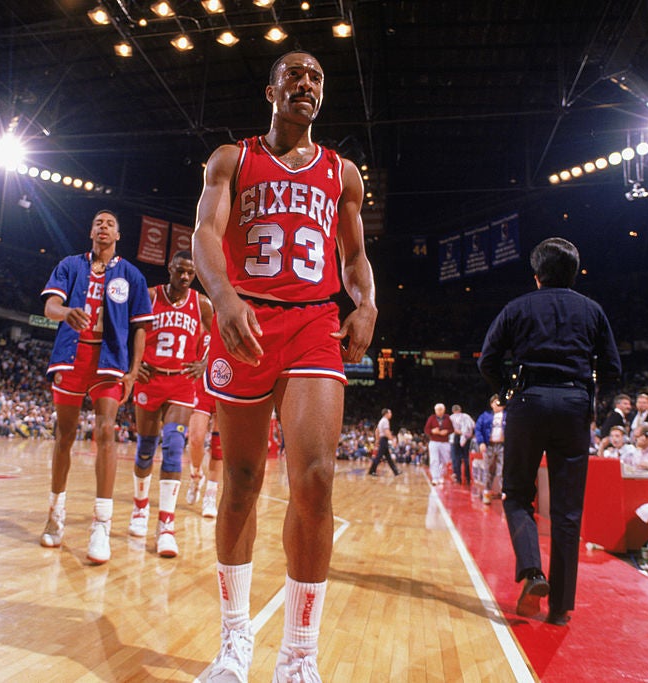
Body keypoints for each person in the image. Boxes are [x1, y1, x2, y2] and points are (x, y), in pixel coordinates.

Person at [192, 50, 377, 681]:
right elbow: (205, 236)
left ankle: (299, 654)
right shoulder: (232, 159)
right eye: (294, 74)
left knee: (316, 480)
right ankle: (234, 640)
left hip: (313, 328)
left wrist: (367, 304)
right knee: (241, 480)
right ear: (271, 89)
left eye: (317, 77)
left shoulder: (342, 173)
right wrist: (223, 297)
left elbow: (354, 258)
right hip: (244, 322)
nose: (306, 83)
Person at [479, 237, 621, 626]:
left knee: (517, 494)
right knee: (567, 509)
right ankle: (560, 608)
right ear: (574, 273)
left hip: (528, 400)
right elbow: (612, 368)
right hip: (575, 405)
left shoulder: (517, 307)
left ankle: (532, 572)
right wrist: (587, 388)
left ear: (537, 274)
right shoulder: (593, 310)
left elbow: (488, 360)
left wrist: (506, 389)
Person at [38, 209, 153, 564]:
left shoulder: (131, 275)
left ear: (118, 235)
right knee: (65, 436)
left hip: (109, 361)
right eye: (98, 223)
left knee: (106, 432)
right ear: (91, 231)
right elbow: (49, 306)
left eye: (110, 224)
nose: (103, 227)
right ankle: (55, 512)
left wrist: (133, 372)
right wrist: (66, 312)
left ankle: (101, 525)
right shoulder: (71, 265)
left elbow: (141, 329)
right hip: (72, 358)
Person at [128, 250, 213, 557]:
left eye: (190, 272)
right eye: (180, 270)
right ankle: (139, 508)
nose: (185, 277)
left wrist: (205, 362)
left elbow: (217, 333)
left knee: (174, 446)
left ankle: (166, 524)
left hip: (181, 381)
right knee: (146, 449)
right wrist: (133, 363)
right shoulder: (150, 296)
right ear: (170, 269)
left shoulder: (201, 303)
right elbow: (128, 328)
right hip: (150, 379)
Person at [187, 331, 223, 518]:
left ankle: (211, 494)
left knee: (219, 447)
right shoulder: (205, 323)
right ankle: (195, 475)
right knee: (196, 438)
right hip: (201, 388)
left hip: (223, 386)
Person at [473, 394, 506, 505]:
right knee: (488, 470)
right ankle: (487, 492)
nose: (498, 405)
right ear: (491, 404)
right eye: (495, 402)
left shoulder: (508, 415)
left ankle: (504, 494)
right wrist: (481, 442)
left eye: (500, 402)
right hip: (489, 446)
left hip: (503, 446)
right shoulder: (485, 416)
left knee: (503, 470)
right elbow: (478, 429)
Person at [424, 403, 452, 484]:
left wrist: (447, 431)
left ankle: (441, 476)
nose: (439, 411)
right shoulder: (431, 418)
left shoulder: (448, 418)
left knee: (445, 460)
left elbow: (452, 429)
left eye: (440, 409)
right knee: (434, 460)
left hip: (445, 442)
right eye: (437, 410)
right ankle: (435, 478)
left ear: (444, 410)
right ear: (435, 410)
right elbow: (426, 429)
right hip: (434, 441)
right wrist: (432, 431)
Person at [367, 408, 400, 476]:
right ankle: (371, 471)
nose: (391, 414)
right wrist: (392, 440)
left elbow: (377, 431)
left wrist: (377, 440)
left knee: (388, 457)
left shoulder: (381, 421)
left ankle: (395, 471)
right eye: (390, 413)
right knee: (379, 457)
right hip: (384, 440)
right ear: (386, 414)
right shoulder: (385, 421)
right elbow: (386, 431)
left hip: (382, 439)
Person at [449, 404, 475, 485]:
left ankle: (458, 479)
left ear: (453, 411)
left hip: (456, 439)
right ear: (460, 410)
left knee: (456, 459)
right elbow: (473, 425)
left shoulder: (451, 417)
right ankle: (468, 479)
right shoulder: (466, 416)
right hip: (467, 439)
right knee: (466, 458)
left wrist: (460, 432)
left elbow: (450, 429)